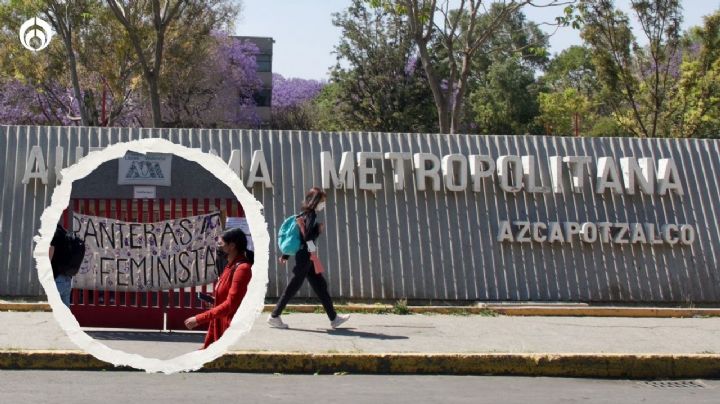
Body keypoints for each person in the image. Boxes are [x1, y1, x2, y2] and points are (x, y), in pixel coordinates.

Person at [268, 187, 350, 329]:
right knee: (294, 286)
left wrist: (287, 255)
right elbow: (306, 237)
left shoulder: (305, 214)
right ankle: (274, 316)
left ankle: (334, 318)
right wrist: (317, 231)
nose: (323, 204)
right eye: (322, 201)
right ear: (315, 201)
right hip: (305, 256)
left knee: (320, 286)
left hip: (306, 255)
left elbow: (299, 236)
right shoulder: (311, 214)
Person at [184, 227, 253, 349]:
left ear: (231, 246)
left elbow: (231, 304)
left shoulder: (242, 269)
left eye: (221, 244)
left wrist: (198, 319)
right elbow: (226, 298)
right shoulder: (229, 267)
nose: (218, 248)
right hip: (221, 327)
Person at [49, 224, 73, 307]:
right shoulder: (66, 236)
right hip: (67, 278)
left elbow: (49, 258)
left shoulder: (54, 236)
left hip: (58, 279)